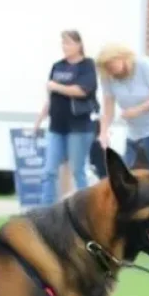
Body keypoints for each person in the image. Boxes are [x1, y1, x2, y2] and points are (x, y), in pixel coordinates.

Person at [96, 43, 149, 179]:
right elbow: (108, 109)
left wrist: (137, 110)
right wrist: (103, 132)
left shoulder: (144, 65)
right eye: (107, 70)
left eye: (111, 67)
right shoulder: (107, 76)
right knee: (128, 176)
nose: (111, 73)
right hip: (135, 132)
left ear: (121, 58)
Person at [34, 30, 98, 204]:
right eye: (63, 43)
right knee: (49, 170)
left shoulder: (87, 65)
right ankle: (45, 209)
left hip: (79, 126)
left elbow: (82, 90)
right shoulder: (58, 66)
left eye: (68, 43)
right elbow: (50, 98)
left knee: (78, 170)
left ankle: (87, 206)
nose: (65, 47)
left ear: (79, 45)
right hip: (57, 125)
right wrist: (39, 120)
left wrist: (56, 86)